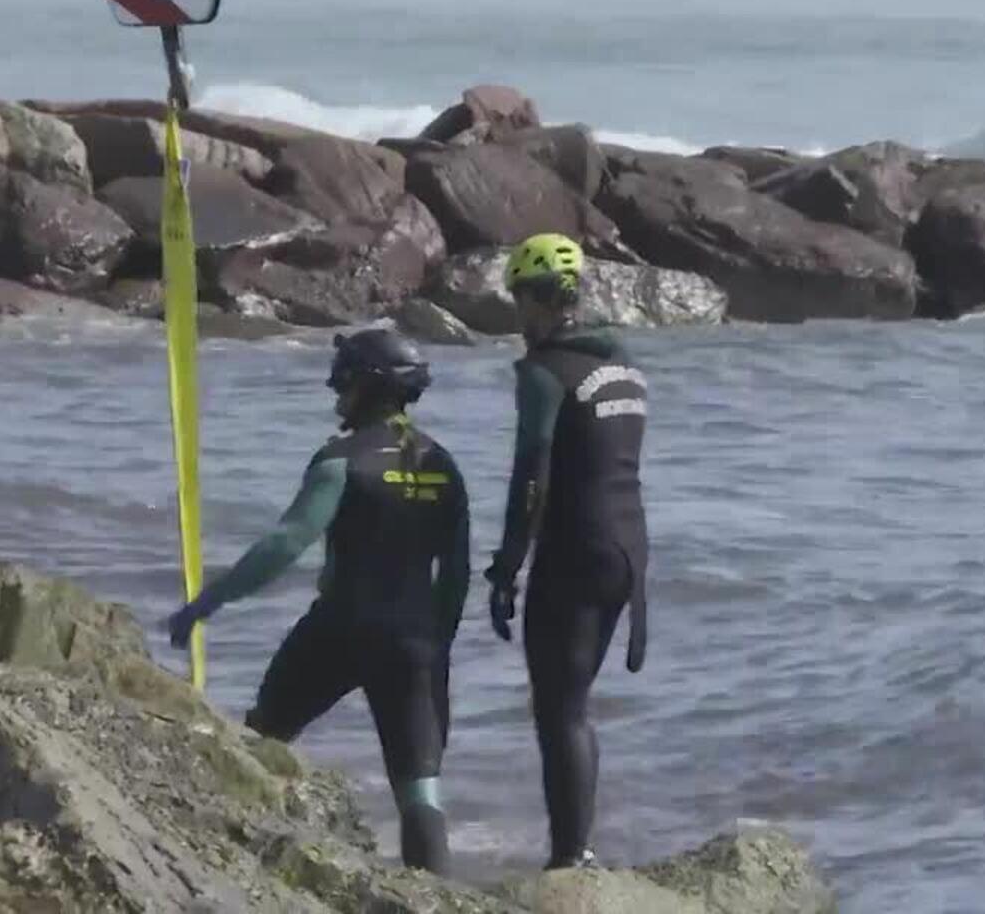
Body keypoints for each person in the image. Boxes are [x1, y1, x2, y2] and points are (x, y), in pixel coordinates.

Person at [166, 328, 469, 874]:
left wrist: (209, 601)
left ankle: (234, 869)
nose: (336, 395)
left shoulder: (340, 460)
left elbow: (286, 543)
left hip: (339, 629)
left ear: (367, 386)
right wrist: (435, 643)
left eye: (344, 381)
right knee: (420, 789)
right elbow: (457, 572)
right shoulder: (444, 466)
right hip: (417, 641)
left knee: (261, 740)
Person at [486, 233, 650, 871]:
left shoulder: (544, 372)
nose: (517, 317)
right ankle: (576, 849)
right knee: (575, 706)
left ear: (535, 299)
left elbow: (532, 474)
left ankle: (569, 861)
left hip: (576, 550)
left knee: (559, 709)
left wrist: (506, 568)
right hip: (628, 549)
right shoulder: (623, 366)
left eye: (517, 301)